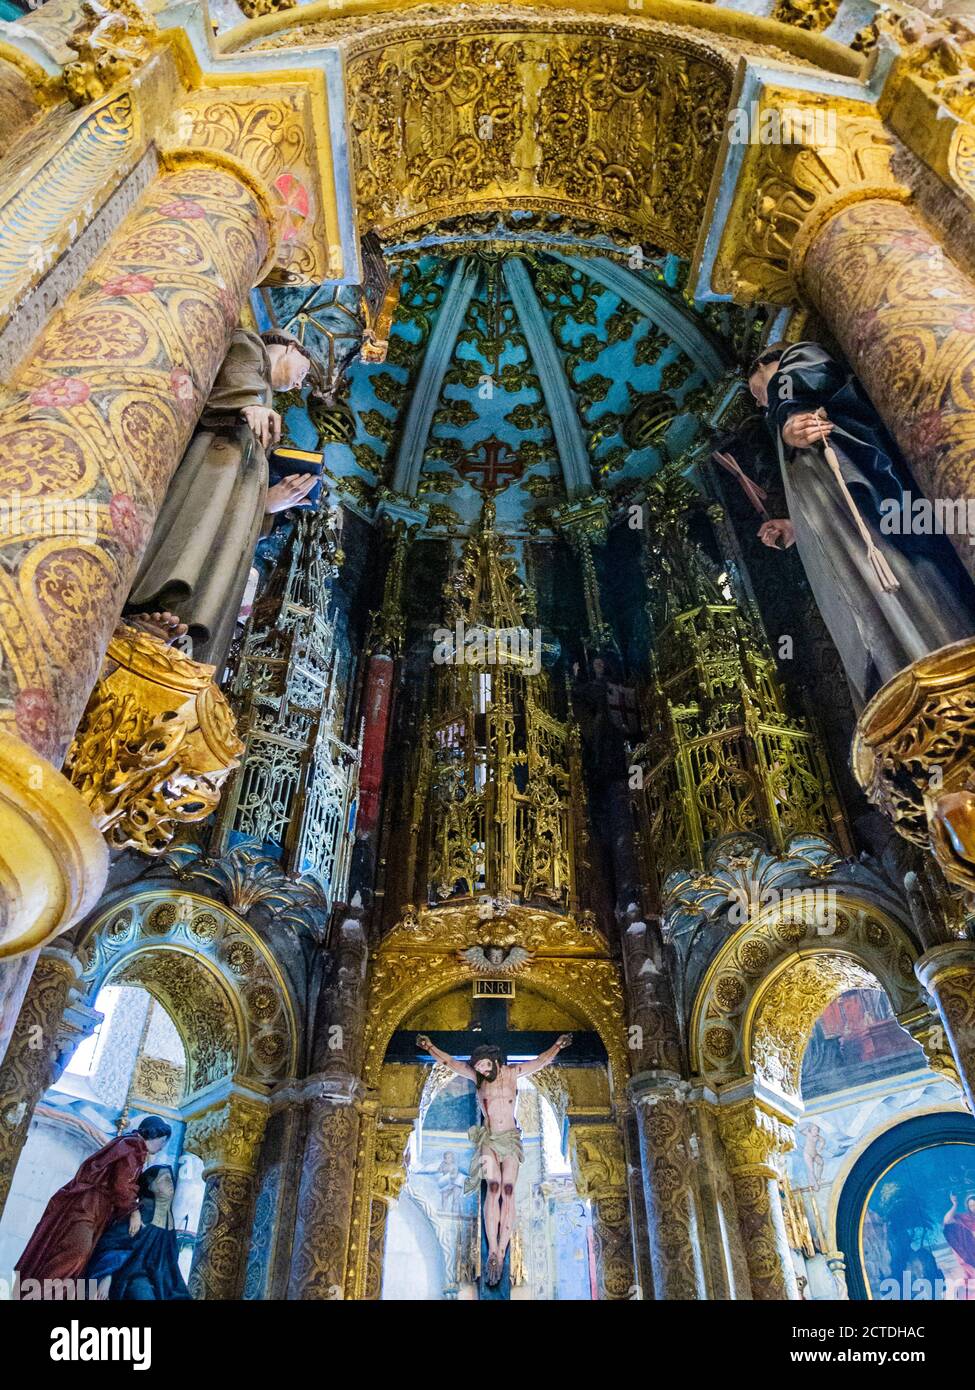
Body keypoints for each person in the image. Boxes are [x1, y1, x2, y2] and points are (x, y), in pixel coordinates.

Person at [716, 341, 975, 707]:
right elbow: (819, 500)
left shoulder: (796, 364)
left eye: (757, 392)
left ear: (765, 363)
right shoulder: (781, 416)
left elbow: (805, 379)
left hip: (870, 527)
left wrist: (788, 416)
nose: (760, 403)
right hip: (843, 533)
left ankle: (941, 678)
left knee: (901, 595)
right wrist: (794, 526)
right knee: (871, 609)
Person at [126, 328, 320, 670]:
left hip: (236, 490)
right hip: (216, 466)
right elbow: (236, 367)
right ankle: (156, 602)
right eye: (305, 371)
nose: (302, 384)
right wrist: (248, 403)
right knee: (196, 525)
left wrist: (270, 504)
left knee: (223, 553)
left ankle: (184, 624)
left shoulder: (265, 398)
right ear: (291, 345)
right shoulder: (251, 350)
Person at [416, 1033, 572, 1287]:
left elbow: (541, 1061)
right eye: (476, 1067)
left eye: (483, 1065)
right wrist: (430, 1047)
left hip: (510, 1140)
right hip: (489, 1139)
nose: (479, 1069)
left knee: (508, 1190)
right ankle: (492, 1254)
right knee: (494, 1187)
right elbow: (450, 1063)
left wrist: (557, 1045)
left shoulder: (512, 1074)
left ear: (494, 1061)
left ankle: (501, 1248)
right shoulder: (478, 1079)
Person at [15, 1116, 171, 1290]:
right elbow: (121, 1185)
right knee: (76, 1253)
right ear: (154, 1134)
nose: (162, 1146)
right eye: (163, 1141)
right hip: (88, 1206)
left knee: (75, 1254)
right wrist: (133, 1210)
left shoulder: (130, 1146)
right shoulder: (133, 1147)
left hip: (94, 1207)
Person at [87, 1165, 191, 1301]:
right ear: (150, 1186)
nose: (170, 1183)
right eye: (164, 1180)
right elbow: (110, 1243)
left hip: (162, 1279)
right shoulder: (142, 1212)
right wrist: (107, 1275)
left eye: (170, 1179)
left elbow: (169, 1259)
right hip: (133, 1274)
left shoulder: (167, 1217)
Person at [943, 1191, 975, 1296]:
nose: (973, 1207)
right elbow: (947, 1221)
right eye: (971, 1205)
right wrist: (955, 1205)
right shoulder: (966, 1218)